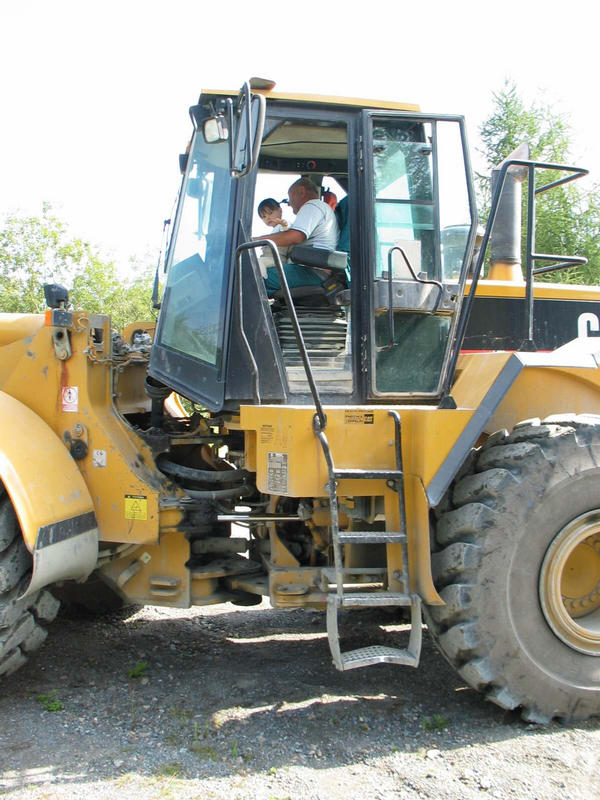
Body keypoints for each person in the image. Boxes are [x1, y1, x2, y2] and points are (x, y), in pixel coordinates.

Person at [255, 177, 339, 295]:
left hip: (311, 271)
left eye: (290, 197)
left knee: (252, 277)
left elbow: (295, 236)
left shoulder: (312, 206)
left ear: (301, 192)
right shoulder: (318, 209)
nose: (289, 203)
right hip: (308, 268)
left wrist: (255, 240)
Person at [256, 198, 292, 276]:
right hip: (269, 258)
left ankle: (262, 282)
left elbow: (287, 234)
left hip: (277, 259)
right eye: (264, 217)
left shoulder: (283, 225)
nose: (268, 218)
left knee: (258, 262)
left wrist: (284, 225)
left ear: (280, 210)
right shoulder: (274, 230)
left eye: (270, 213)